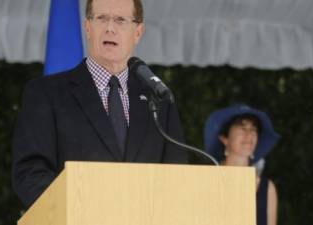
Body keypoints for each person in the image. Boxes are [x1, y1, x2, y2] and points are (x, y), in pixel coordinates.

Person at [12, 0, 187, 209]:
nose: (110, 28)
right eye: (102, 18)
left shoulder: (158, 100)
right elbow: (30, 173)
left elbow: (177, 177)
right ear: (87, 27)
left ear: (138, 32)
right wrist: (85, 206)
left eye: (120, 20)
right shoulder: (46, 94)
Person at [204, 103, 280, 225]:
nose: (249, 134)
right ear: (225, 139)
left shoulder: (267, 188)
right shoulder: (207, 181)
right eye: (242, 128)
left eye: (253, 129)